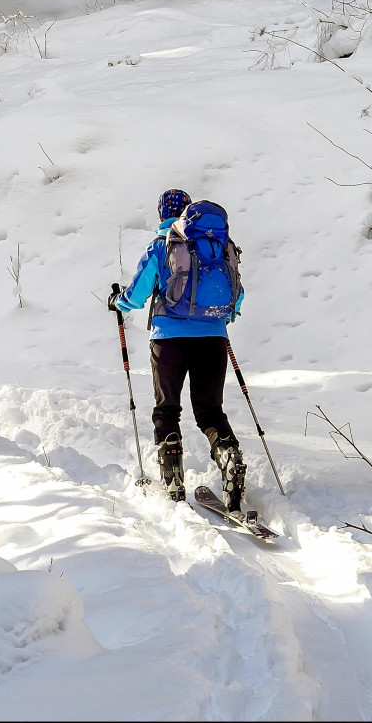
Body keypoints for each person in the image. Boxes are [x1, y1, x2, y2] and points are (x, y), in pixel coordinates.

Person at [108, 188, 245, 507]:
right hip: (213, 338)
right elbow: (236, 297)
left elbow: (136, 297)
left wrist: (117, 302)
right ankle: (229, 455)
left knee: (167, 408)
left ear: (161, 214)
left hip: (168, 340)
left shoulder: (160, 246)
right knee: (210, 410)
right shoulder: (219, 245)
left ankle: (172, 478)